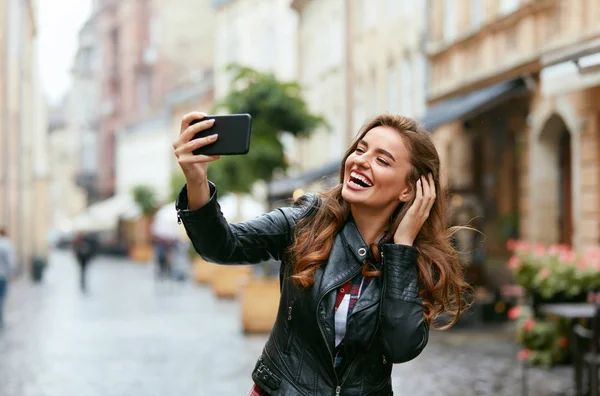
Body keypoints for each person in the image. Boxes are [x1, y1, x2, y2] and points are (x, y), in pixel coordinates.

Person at [173, 112, 472, 395]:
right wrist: (196, 181)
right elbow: (222, 246)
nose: (361, 161)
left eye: (382, 160)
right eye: (361, 149)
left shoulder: (414, 260)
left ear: (409, 190)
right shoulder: (307, 221)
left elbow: (401, 346)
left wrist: (402, 249)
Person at [0, 228, 14, 328]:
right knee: (1, 298)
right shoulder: (6, 244)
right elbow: (9, 261)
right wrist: (10, 273)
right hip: (2, 275)